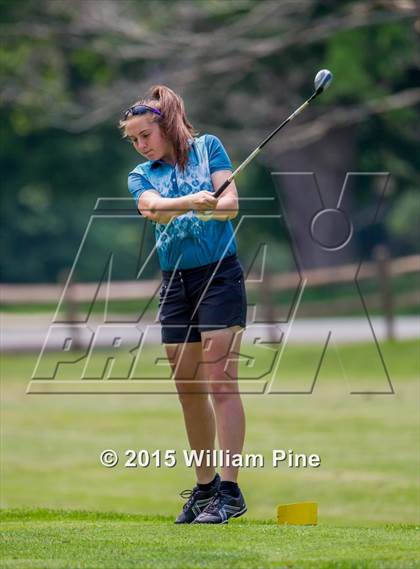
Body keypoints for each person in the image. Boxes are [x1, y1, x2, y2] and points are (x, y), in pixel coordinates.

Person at [120, 85, 247, 525]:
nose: (141, 145)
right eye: (134, 139)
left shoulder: (208, 147)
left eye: (145, 135)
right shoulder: (142, 173)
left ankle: (229, 492)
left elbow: (229, 204)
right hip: (175, 282)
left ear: (165, 126)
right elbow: (151, 209)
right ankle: (206, 487)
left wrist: (213, 207)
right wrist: (190, 203)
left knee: (220, 381)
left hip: (218, 275)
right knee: (188, 389)